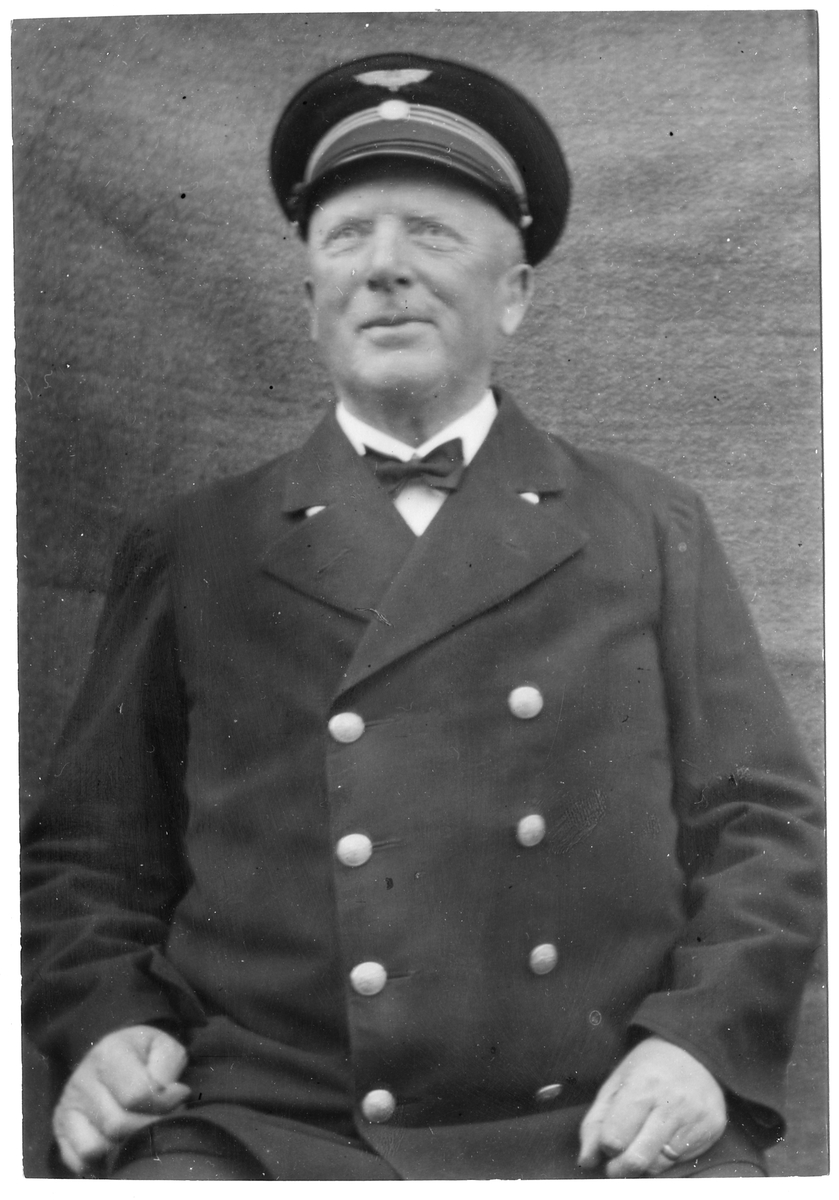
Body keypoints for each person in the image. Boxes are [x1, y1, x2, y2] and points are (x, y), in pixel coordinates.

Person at [22, 51, 824, 1181]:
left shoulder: (649, 523)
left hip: (597, 1115)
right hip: (266, 1121)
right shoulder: (195, 544)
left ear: (515, 295)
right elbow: (89, 861)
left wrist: (696, 1045)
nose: (384, 266)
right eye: (347, 236)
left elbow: (762, 825)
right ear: (308, 301)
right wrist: (104, 1026)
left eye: (433, 235)